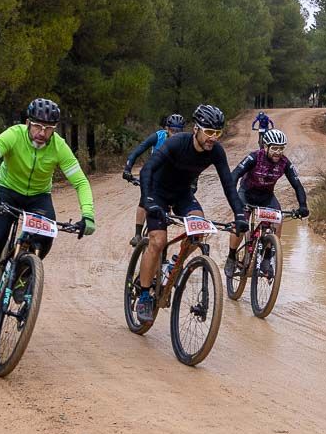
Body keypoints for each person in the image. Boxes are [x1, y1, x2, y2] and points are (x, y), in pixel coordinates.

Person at [0, 98, 95, 325]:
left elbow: (81, 182)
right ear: (28, 123)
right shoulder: (14, 135)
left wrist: (88, 215)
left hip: (38, 197)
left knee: (47, 235)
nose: (42, 133)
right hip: (7, 190)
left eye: (48, 128)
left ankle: (22, 276)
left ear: (54, 129)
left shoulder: (59, 147)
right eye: (37, 126)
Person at [134, 104, 248, 323]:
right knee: (158, 241)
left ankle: (173, 263)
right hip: (157, 192)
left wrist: (240, 215)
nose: (213, 138)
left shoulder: (215, 151)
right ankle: (145, 294)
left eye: (217, 133)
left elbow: (228, 185)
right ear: (196, 129)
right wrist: (148, 200)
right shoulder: (176, 142)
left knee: (199, 231)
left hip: (182, 194)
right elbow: (147, 169)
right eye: (209, 132)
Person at [225, 129, 310, 279]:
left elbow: (297, 185)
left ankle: (267, 258)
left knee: (278, 220)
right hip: (247, 194)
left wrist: (303, 205)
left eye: (281, 148)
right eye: (275, 148)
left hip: (266, 197)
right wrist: (234, 199)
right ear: (266, 147)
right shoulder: (254, 157)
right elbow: (235, 175)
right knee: (241, 223)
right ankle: (231, 257)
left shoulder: (284, 163)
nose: (278, 152)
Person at [123, 114, 185, 246]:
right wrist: (127, 168)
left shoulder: (184, 141)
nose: (175, 134)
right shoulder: (159, 136)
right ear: (167, 128)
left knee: (165, 209)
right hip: (152, 174)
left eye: (178, 131)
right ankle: (138, 234)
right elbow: (138, 151)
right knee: (144, 201)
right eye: (173, 130)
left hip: (169, 178)